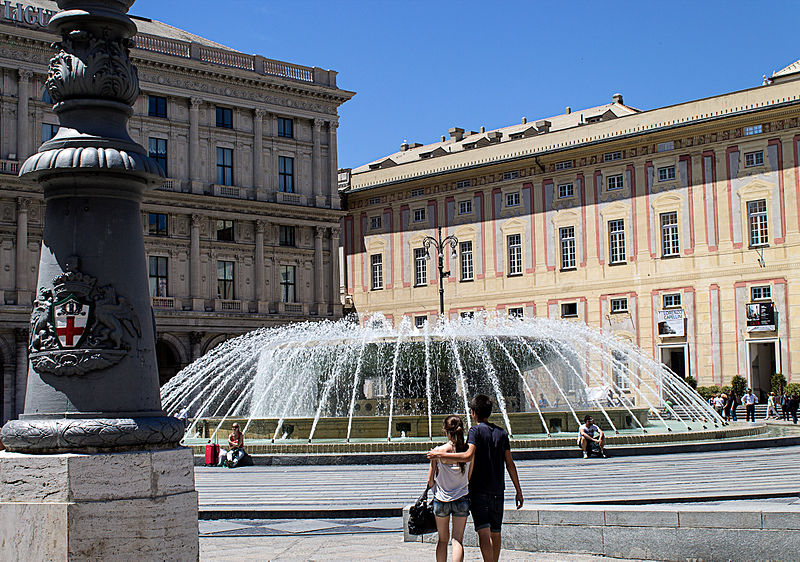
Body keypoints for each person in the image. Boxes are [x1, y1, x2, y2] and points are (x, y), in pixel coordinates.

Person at [428, 394, 524, 562]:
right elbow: (509, 463)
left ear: (473, 412)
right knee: (496, 531)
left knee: (484, 533)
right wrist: (518, 490)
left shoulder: (475, 431)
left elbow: (467, 456)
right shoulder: (502, 433)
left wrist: (439, 454)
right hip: (498, 489)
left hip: (479, 490)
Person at [427, 415, 473, 562]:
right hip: (462, 498)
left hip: (441, 499)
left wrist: (436, 488)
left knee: (442, 540)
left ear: (445, 431)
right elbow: (469, 477)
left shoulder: (438, 451)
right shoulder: (468, 452)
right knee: (457, 540)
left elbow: (429, 481)